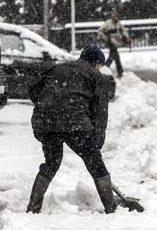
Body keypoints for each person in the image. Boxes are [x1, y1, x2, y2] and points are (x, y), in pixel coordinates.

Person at [26, 44, 117, 214]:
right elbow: (101, 112)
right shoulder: (96, 76)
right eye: (100, 65)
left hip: (46, 122)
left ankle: (33, 208)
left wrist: (49, 107)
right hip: (75, 123)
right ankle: (111, 208)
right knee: (96, 164)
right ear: (96, 62)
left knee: (51, 162)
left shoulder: (57, 68)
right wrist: (98, 138)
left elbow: (33, 89)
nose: (100, 68)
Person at [97, 11, 130, 78]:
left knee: (112, 57)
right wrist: (105, 36)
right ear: (112, 17)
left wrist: (125, 37)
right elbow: (100, 31)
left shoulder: (118, 24)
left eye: (117, 17)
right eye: (114, 17)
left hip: (115, 42)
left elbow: (123, 31)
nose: (116, 18)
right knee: (115, 57)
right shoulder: (108, 23)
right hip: (109, 42)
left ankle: (104, 70)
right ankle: (119, 72)